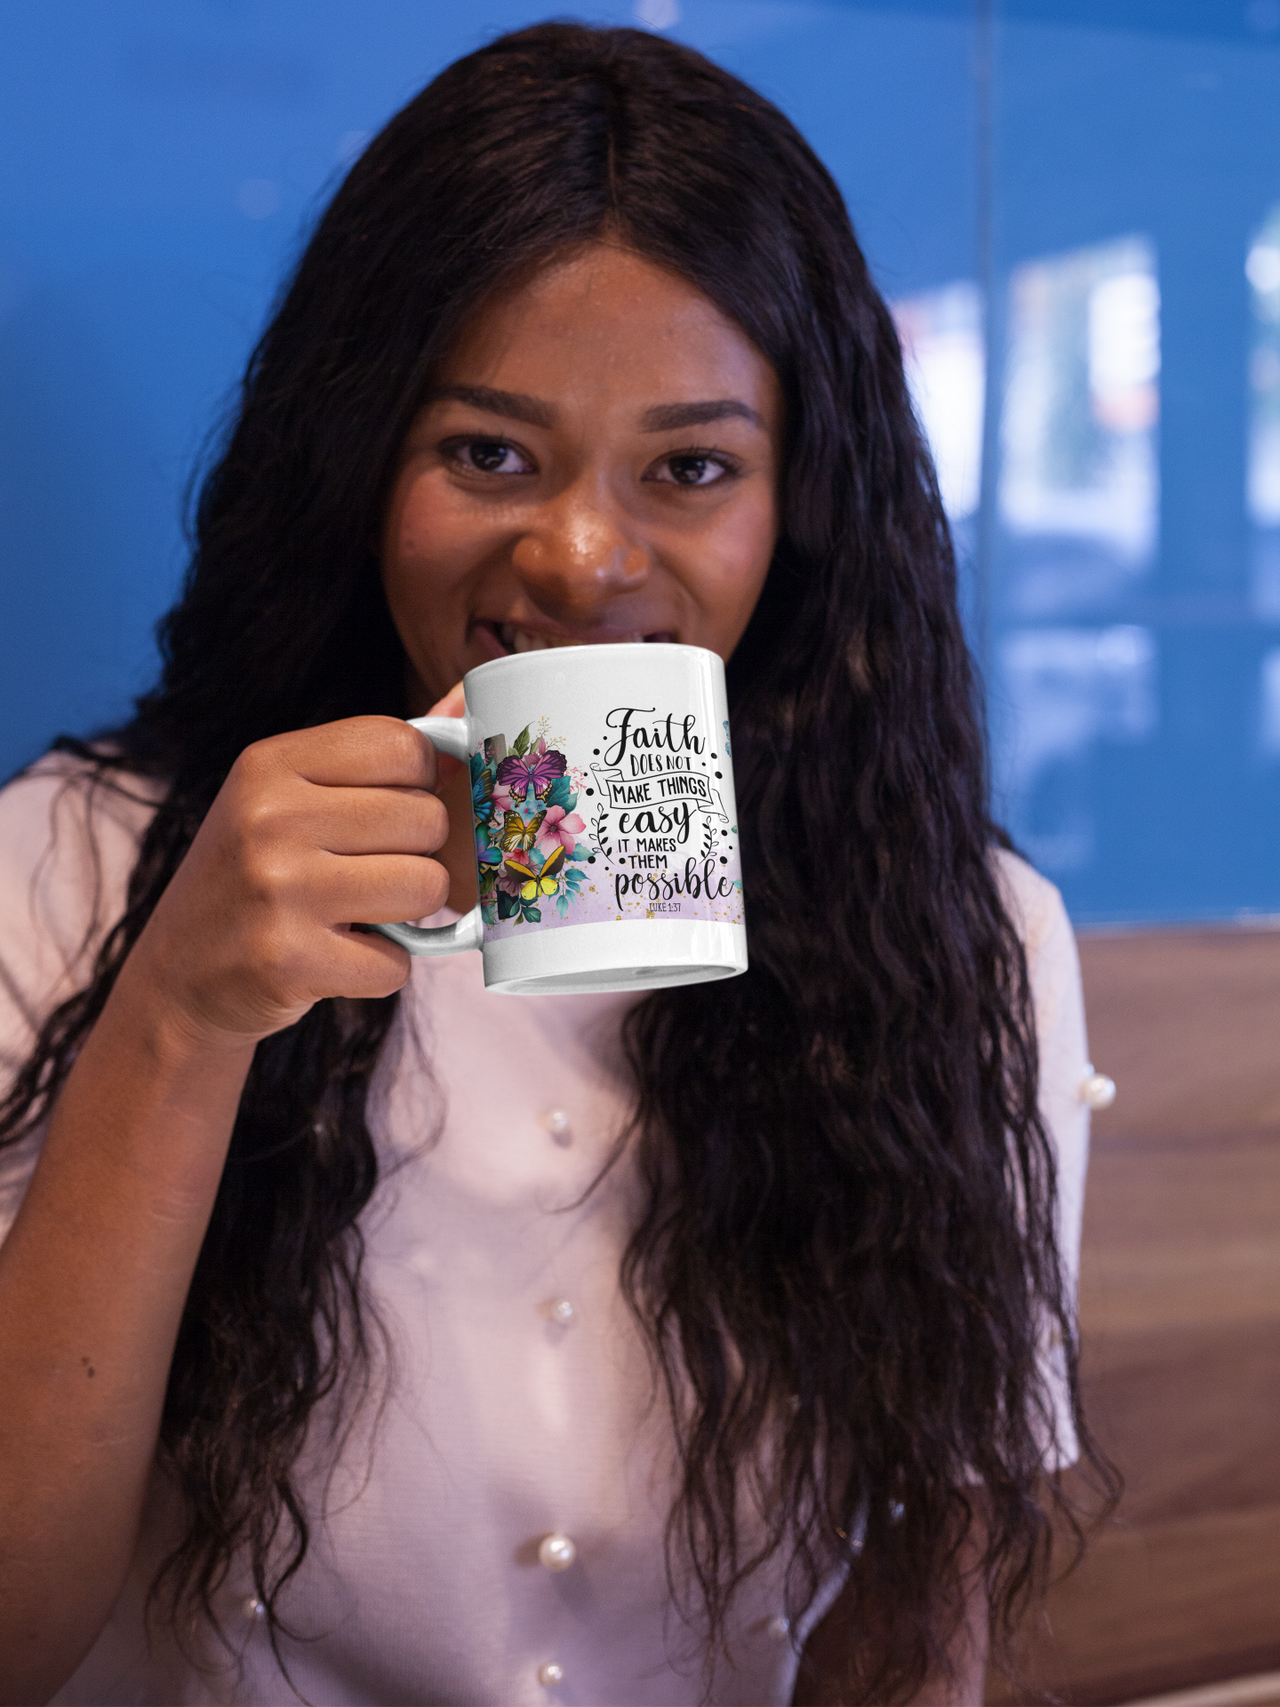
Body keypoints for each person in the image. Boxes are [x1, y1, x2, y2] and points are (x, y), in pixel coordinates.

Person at [0, 22, 1109, 1707]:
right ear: (357, 467)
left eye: (692, 468)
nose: (587, 557)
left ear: (797, 509)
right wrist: (179, 1012)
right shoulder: (77, 866)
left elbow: (913, 1625)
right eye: (490, 454)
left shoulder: (966, 942)